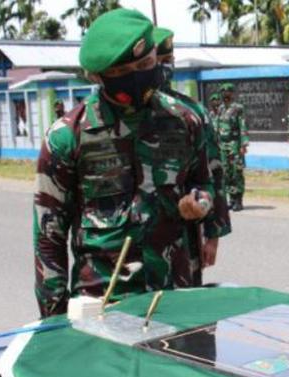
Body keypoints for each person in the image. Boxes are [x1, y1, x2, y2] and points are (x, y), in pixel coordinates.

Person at [33, 9, 218, 317]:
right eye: (122, 73)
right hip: (104, 301)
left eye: (145, 64)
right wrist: (53, 320)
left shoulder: (185, 120)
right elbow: (48, 235)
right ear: (96, 76)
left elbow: (204, 182)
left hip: (177, 294)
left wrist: (201, 202)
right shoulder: (67, 137)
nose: (138, 76)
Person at [153, 26, 231, 286]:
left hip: (182, 242)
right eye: (157, 61)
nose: (164, 68)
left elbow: (214, 172)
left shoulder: (192, 113)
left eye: (168, 61)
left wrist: (214, 235)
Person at [216, 83, 249, 211]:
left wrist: (243, 144)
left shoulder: (238, 108)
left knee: (237, 172)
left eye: (228, 92)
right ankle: (231, 199)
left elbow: (242, 126)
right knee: (226, 172)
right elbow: (217, 126)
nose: (225, 94)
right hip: (222, 145)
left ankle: (239, 200)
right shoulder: (220, 109)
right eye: (223, 92)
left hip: (235, 145)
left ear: (232, 93)